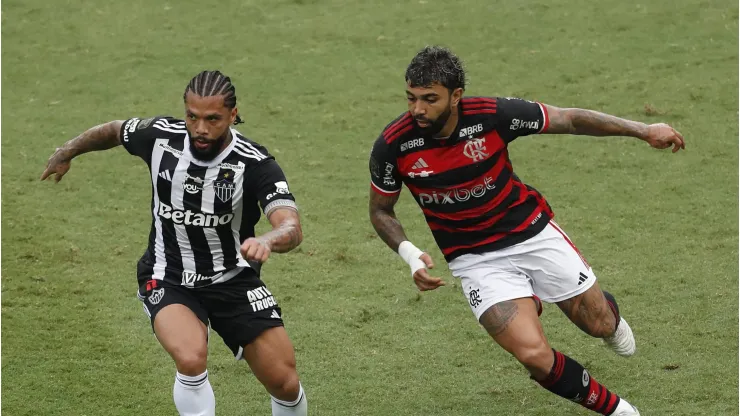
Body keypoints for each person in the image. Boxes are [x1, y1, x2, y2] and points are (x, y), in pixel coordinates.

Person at [368, 46, 685, 416]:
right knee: (534, 355)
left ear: (456, 97)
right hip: (474, 260)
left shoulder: (493, 115)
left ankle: (597, 312)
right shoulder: (394, 144)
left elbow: (569, 119)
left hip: (531, 233)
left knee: (599, 324)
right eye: (411, 98)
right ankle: (619, 411)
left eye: (429, 99)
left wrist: (644, 130)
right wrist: (408, 253)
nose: (417, 109)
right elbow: (380, 210)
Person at [41, 70, 308, 416]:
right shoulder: (160, 138)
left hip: (233, 279)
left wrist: (268, 240)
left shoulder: (254, 163)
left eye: (212, 119)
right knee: (191, 356)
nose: (200, 128)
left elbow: (290, 225)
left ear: (232, 114)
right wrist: (67, 151)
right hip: (167, 275)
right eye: (192, 117)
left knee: (284, 383)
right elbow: (113, 131)